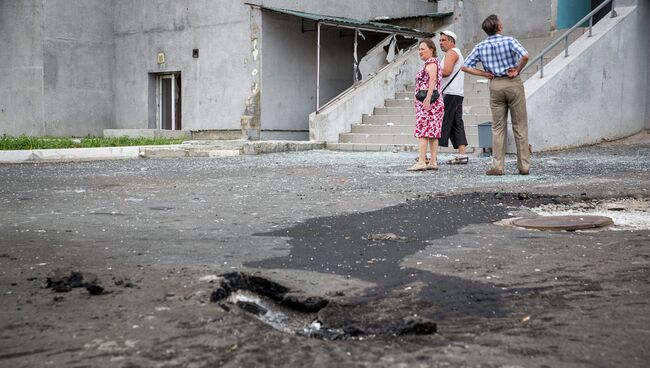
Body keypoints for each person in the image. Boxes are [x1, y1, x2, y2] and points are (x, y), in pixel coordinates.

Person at [462, 14, 531, 175]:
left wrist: (484, 74)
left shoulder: (480, 46)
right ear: (499, 27)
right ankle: (524, 166)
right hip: (513, 83)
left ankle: (497, 166)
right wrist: (517, 70)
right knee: (519, 126)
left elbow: (465, 66)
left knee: (498, 127)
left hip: (495, 85)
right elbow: (525, 55)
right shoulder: (509, 41)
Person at [407, 38, 444, 171]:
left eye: (423, 49)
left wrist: (427, 99)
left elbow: (433, 80)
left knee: (423, 131)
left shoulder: (431, 62)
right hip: (435, 103)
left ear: (431, 49)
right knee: (433, 132)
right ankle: (433, 162)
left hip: (429, 102)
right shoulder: (433, 62)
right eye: (419, 49)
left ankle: (422, 161)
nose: (420, 52)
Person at [438, 30, 469, 165]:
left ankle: (430, 154)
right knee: (456, 123)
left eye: (443, 40)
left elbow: (446, 71)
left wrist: (431, 71)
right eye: (440, 40)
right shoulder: (456, 53)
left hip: (450, 93)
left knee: (442, 122)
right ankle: (462, 154)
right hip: (456, 93)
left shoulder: (452, 53)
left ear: (451, 41)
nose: (440, 43)